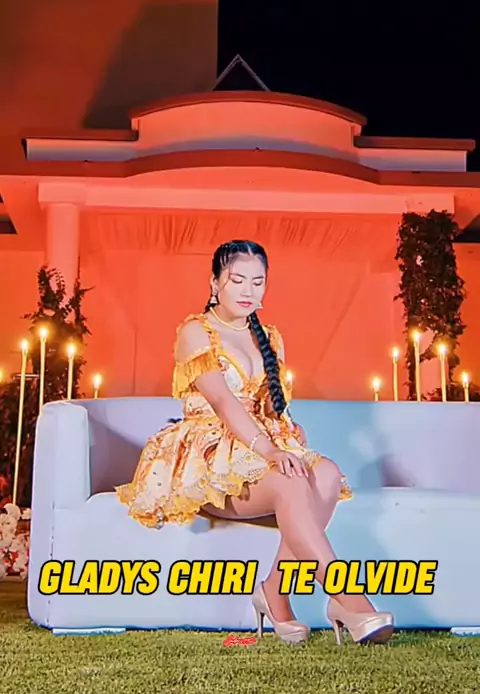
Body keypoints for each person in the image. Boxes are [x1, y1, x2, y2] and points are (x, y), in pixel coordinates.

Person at [116, 240, 394, 646]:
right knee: (291, 483)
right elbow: (223, 402)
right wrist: (269, 450)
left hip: (260, 442)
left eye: (258, 282)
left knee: (328, 474)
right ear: (215, 284)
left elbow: (269, 404)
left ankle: (274, 593)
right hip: (211, 454)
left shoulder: (270, 337)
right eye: (237, 280)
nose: (248, 290)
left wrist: (288, 432)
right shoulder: (196, 332)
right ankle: (351, 601)